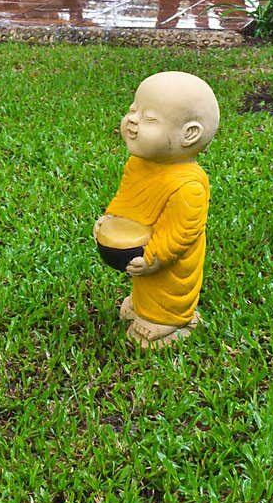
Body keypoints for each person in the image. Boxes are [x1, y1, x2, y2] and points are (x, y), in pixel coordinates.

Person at [93, 71, 220, 349]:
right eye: (133, 110)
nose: (133, 121)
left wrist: (155, 258)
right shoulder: (138, 164)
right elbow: (127, 200)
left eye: (149, 119)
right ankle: (142, 307)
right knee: (143, 286)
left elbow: (181, 233)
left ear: (190, 134)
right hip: (144, 245)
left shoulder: (189, 185)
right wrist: (111, 218)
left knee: (165, 289)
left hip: (168, 260)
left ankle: (170, 322)